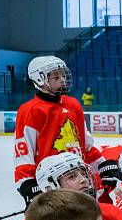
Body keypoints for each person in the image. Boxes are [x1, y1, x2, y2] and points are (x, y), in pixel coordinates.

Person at [13, 56, 113, 206]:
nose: (62, 80)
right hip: (54, 183)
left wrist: (104, 165)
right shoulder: (30, 110)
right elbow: (23, 154)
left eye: (63, 75)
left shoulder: (73, 104)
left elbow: (86, 146)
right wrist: (28, 185)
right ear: (39, 79)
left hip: (81, 179)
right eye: (56, 77)